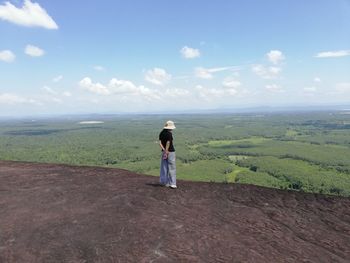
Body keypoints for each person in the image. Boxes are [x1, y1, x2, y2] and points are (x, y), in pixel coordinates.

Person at [159, 120, 177, 189]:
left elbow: (160, 142)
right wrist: (167, 151)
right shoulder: (169, 134)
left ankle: (164, 182)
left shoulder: (161, 132)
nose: (172, 129)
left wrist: (164, 150)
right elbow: (168, 143)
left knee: (164, 167)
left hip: (163, 151)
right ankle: (172, 183)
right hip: (170, 152)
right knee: (172, 167)